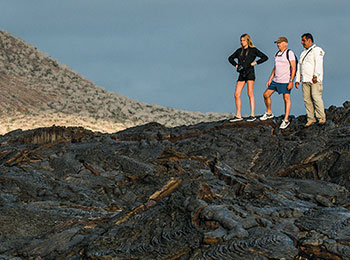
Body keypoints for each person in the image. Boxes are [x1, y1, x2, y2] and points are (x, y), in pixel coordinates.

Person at [228, 33, 268, 122]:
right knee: (236, 94)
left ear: (247, 40)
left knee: (250, 93)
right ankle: (238, 115)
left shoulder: (253, 50)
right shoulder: (239, 51)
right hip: (242, 73)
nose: (242, 42)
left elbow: (265, 57)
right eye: (241, 40)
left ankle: (252, 115)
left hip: (250, 73)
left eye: (243, 40)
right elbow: (230, 58)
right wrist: (236, 65)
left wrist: (255, 63)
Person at [260, 36, 296, 129]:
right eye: (277, 43)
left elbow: (293, 67)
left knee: (286, 98)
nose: (278, 45)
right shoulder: (277, 53)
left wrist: (291, 81)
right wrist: (270, 79)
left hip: (285, 80)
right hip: (276, 80)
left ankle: (286, 119)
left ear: (285, 43)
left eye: (280, 43)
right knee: (266, 94)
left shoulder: (289, 53)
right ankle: (269, 112)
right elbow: (275, 67)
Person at [295, 33, 326, 126]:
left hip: (314, 79)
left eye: (303, 40)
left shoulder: (317, 50)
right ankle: (311, 118)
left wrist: (316, 75)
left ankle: (321, 117)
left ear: (309, 40)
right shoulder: (303, 53)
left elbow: (319, 63)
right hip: (305, 79)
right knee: (307, 100)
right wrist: (298, 79)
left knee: (316, 97)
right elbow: (299, 66)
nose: (302, 42)